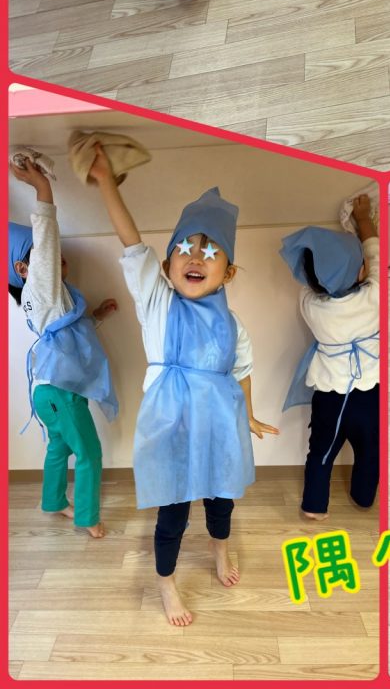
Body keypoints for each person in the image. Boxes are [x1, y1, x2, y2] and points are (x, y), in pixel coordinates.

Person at [88, 147, 279, 626]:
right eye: (185, 247)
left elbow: (242, 371)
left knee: (220, 502)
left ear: (228, 272)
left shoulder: (233, 325)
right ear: (167, 264)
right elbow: (131, 242)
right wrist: (107, 181)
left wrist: (249, 414)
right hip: (171, 430)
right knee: (172, 515)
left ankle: (220, 548)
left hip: (218, 428)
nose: (196, 256)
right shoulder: (157, 302)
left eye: (210, 251)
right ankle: (166, 583)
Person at [9, 157, 119, 539]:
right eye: (43, 255)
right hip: (60, 391)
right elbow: (45, 235)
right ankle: (88, 518)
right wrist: (42, 187)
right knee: (89, 453)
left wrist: (97, 314)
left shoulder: (55, 299)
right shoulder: (40, 288)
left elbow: (74, 332)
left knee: (59, 446)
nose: (54, 256)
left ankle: (54, 501)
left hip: (50, 391)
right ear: (25, 270)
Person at [280, 195, 379, 520]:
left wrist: (325, 268)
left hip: (330, 395)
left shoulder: (311, 304)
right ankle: (364, 497)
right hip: (370, 393)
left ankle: (314, 506)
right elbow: (375, 254)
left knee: (321, 450)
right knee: (370, 451)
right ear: (361, 273)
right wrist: (363, 219)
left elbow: (310, 284)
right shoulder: (375, 296)